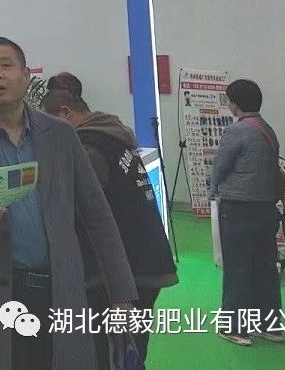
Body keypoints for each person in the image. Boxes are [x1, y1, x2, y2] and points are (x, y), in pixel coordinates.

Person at [0, 37, 135, 370]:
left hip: (60, 290)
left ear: (26, 77)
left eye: (6, 65)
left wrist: (121, 293)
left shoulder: (61, 135)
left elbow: (97, 215)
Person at [41, 76, 177, 363]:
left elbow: (79, 209)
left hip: (123, 268)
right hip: (147, 258)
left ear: (65, 114)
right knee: (132, 348)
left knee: (111, 351)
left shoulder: (88, 149)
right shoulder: (114, 135)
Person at [207, 78, 283, 346]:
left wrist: (213, 190)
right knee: (265, 266)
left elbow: (220, 166)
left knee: (237, 266)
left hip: (238, 207)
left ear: (234, 103)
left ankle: (235, 328)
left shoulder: (236, 131)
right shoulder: (266, 128)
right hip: (265, 206)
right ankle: (270, 326)